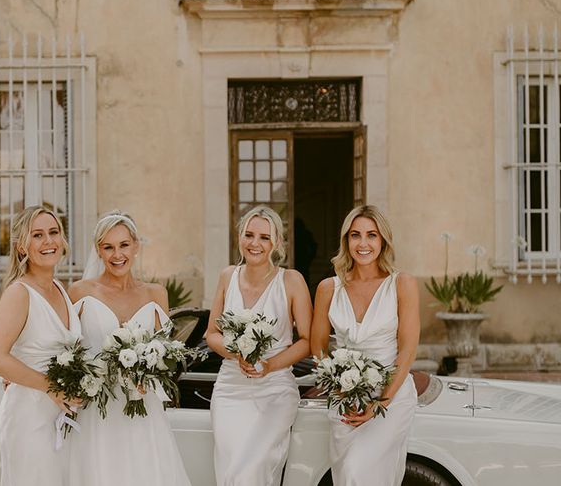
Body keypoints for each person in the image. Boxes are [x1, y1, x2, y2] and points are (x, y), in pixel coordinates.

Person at [67, 211, 192, 486]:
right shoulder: (79, 292)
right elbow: (63, 348)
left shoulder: (156, 293)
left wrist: (151, 374)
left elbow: (166, 354)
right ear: (98, 250)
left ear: (136, 245)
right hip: (97, 412)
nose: (117, 254)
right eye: (108, 247)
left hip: (142, 409)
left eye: (123, 245)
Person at [310, 205, 419, 486]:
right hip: (345, 399)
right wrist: (339, 388)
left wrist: (381, 401)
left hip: (390, 399)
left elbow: (407, 349)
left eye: (372, 235)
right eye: (355, 235)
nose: (363, 243)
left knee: (361, 474)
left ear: (383, 240)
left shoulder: (402, 284)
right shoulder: (328, 288)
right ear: (346, 241)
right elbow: (318, 347)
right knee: (347, 475)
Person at [206, 205, 313, 486]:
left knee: (253, 467)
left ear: (277, 242)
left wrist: (268, 365)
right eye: (249, 235)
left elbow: (308, 342)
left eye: (264, 237)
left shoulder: (291, 281)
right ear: (239, 237)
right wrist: (236, 352)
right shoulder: (227, 276)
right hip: (231, 389)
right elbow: (212, 334)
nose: (255, 243)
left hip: (275, 389)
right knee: (230, 470)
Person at [0, 206, 81, 486]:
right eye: (37, 235)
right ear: (22, 247)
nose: (48, 241)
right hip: (30, 416)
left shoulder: (61, 290)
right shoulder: (19, 293)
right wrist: (51, 386)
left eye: (54, 232)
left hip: (62, 417)